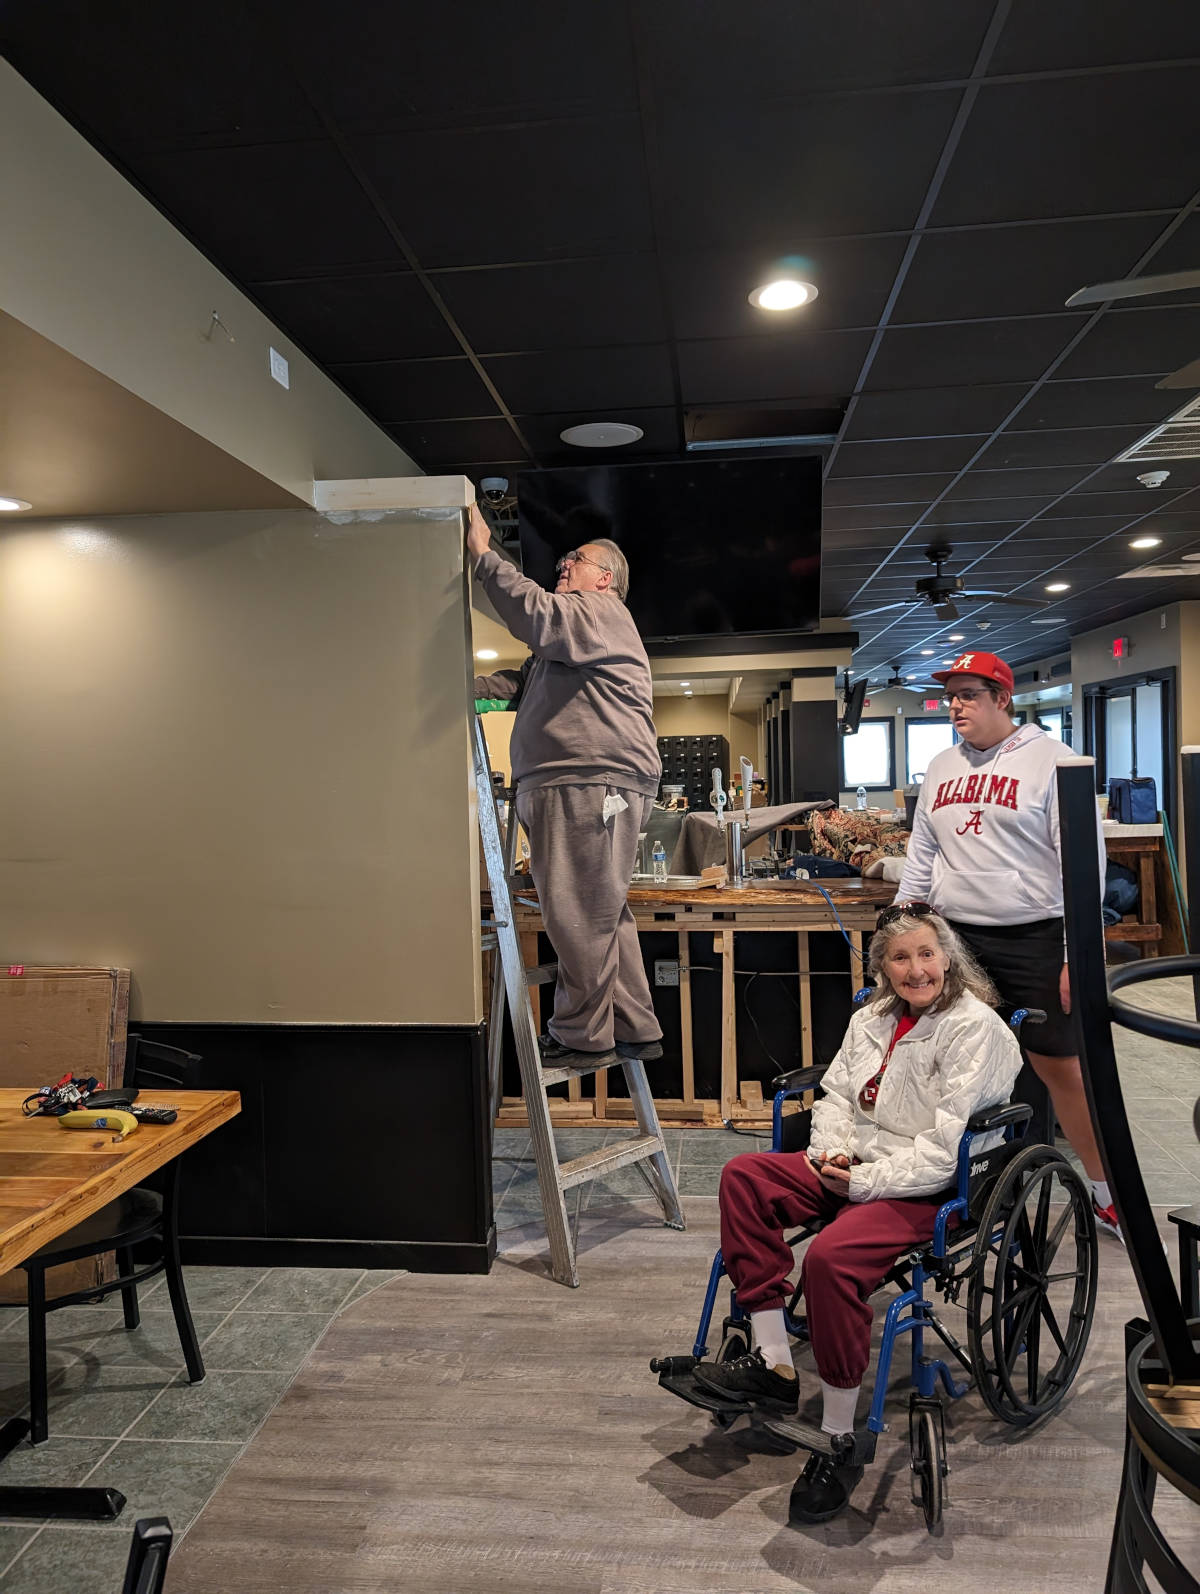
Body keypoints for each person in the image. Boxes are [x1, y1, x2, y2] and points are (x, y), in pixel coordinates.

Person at [694, 906, 1022, 1524]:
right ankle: (773, 1363)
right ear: (882, 967)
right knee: (745, 1177)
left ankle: (840, 1437)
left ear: (948, 958)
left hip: (924, 1186)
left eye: (926, 954)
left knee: (832, 1256)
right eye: (900, 957)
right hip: (854, 1165)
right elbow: (839, 1094)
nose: (915, 968)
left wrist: (866, 1182)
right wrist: (831, 1154)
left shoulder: (974, 1029)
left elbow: (947, 1145)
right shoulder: (872, 1017)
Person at [893, 649, 1118, 1239]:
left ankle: (1103, 1190)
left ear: (1002, 699)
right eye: (951, 696)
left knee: (1059, 1066)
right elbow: (922, 856)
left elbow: (1082, 868)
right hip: (958, 939)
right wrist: (903, 925)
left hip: (1035, 936)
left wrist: (1076, 955)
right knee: (962, 1066)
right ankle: (974, 1185)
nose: (956, 705)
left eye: (969, 694)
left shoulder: (1053, 761)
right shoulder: (942, 766)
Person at [466, 502, 663, 1068]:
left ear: (607, 577)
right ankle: (633, 1023)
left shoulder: (596, 610)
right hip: (584, 780)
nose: (563, 566)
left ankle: (581, 1033)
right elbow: (514, 684)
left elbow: (537, 614)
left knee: (576, 911)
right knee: (601, 910)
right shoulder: (571, 643)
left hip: (586, 779)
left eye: (576, 560)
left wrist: (484, 554)